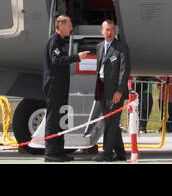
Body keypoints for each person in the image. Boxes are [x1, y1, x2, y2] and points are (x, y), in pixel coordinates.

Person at [83, 19, 130, 162]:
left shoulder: (121, 47)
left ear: (114, 32)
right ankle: (120, 152)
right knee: (111, 121)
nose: (109, 33)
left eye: (111, 30)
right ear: (102, 31)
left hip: (115, 91)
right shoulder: (99, 47)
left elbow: (124, 70)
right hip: (102, 88)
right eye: (107, 30)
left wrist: (119, 91)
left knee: (110, 122)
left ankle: (107, 152)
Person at [42, 14, 79, 162]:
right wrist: (76, 57)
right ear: (61, 25)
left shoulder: (60, 41)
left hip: (59, 85)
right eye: (69, 24)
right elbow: (56, 60)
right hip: (54, 85)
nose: (71, 27)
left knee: (59, 118)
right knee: (53, 118)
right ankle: (51, 152)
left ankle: (58, 150)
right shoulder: (54, 41)